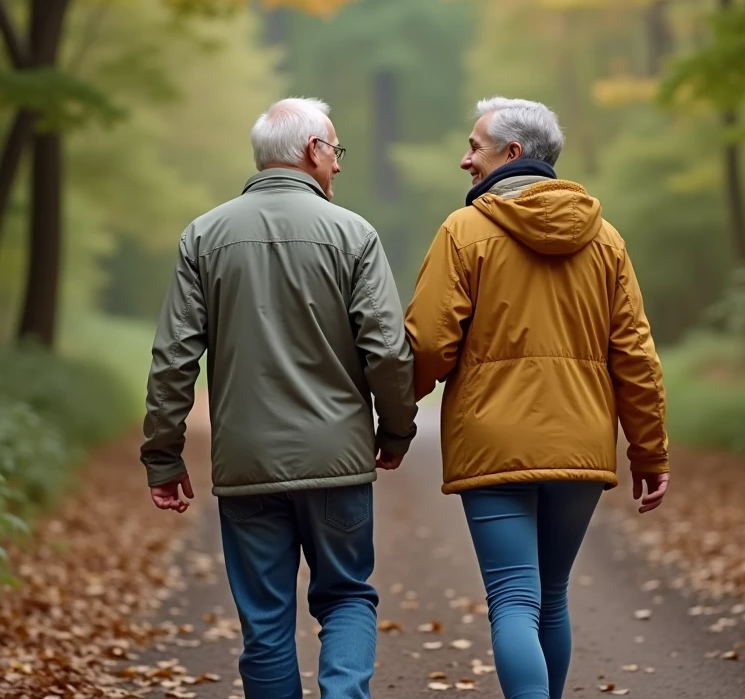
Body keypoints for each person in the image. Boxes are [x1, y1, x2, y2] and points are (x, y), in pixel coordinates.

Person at [139, 97, 419, 699]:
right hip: (336, 460)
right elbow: (388, 351)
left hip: (247, 464)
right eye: (335, 151)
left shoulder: (203, 236)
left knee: (264, 621)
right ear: (313, 150)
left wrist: (163, 454)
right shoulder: (354, 235)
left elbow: (173, 358)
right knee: (346, 597)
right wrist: (396, 429)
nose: (338, 165)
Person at [404, 97, 670, 699]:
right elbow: (636, 357)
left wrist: (395, 422)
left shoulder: (463, 232)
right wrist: (649, 453)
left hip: (493, 444)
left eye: (474, 147)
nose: (465, 159)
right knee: (551, 595)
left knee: (513, 599)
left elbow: (428, 345)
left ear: (512, 153)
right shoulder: (606, 240)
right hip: (580, 441)